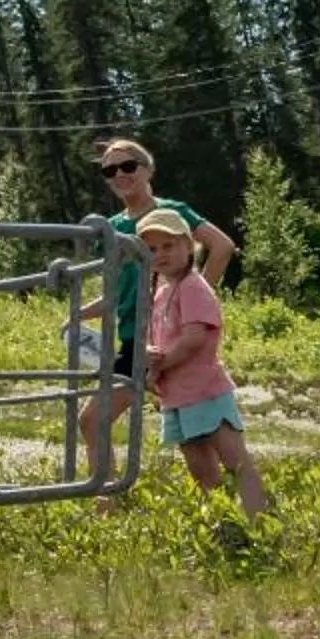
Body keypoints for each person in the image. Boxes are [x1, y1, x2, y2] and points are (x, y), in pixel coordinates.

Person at [76, 138, 234, 483]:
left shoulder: (169, 212)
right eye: (109, 170)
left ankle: (239, 504)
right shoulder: (114, 227)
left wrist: (193, 298)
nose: (120, 174)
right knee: (93, 420)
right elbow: (117, 292)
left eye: (128, 166)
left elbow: (221, 246)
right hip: (135, 341)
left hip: (173, 343)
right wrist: (79, 313)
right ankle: (108, 503)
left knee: (200, 432)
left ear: (148, 169)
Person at [137, 207, 268, 519]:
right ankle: (224, 525)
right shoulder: (161, 292)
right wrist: (149, 354)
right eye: (152, 249)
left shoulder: (193, 287)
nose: (161, 255)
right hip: (177, 396)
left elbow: (194, 339)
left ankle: (262, 523)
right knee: (199, 468)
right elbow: (159, 337)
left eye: (169, 246)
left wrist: (160, 366)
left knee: (235, 460)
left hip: (205, 391)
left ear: (189, 245)